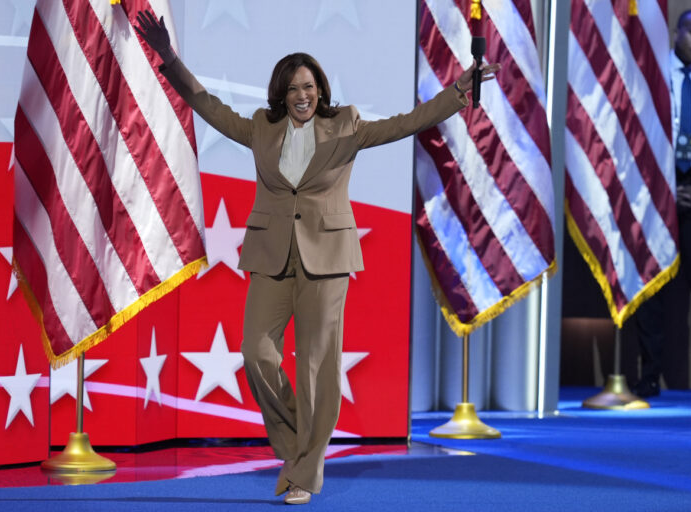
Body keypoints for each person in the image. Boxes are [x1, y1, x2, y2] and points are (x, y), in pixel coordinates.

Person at [134, 10, 499, 504]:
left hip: (327, 259)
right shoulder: (263, 128)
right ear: (281, 96)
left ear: (319, 89)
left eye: (308, 86)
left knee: (315, 366)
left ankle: (306, 473)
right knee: (256, 353)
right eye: (292, 90)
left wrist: (458, 94)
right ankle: (296, 451)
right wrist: (169, 57)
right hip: (271, 255)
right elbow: (206, 104)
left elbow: (406, 123)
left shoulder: (345, 125)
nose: (302, 96)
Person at [633, 9, 691, 398]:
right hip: (658, 186)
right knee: (651, 285)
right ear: (676, 33)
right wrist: (666, 186)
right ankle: (649, 374)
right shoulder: (657, 74)